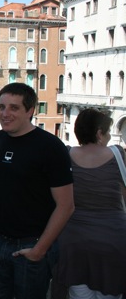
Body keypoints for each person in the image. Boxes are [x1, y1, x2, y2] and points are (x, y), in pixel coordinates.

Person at [0, 82, 75, 299]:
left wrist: (39, 250)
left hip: (33, 246)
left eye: (14, 108)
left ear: (30, 111)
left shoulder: (51, 147)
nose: (5, 114)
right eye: (2, 107)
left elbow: (66, 206)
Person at [55, 108, 126, 298]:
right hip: (113, 242)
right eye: (108, 132)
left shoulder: (66, 154)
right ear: (99, 133)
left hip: (74, 243)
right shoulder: (117, 154)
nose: (111, 137)